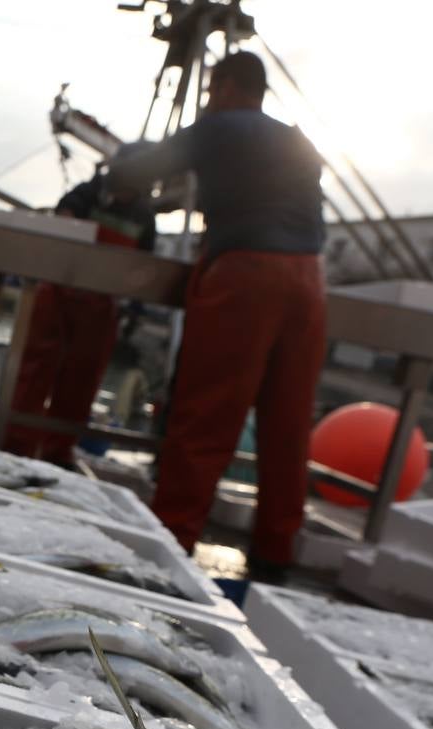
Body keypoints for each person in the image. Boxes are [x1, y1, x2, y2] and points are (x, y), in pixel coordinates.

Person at [109, 51, 326, 578]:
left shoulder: (218, 128)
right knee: (287, 426)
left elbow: (136, 171)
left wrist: (126, 154)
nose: (208, 98)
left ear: (227, 87)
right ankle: (275, 560)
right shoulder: (298, 139)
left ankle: (170, 548)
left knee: (205, 419)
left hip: (244, 275)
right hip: (309, 285)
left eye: (211, 89)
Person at [4, 155, 157, 466]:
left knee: (80, 384)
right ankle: (15, 446)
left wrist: (133, 303)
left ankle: (56, 452)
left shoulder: (144, 215)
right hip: (58, 295)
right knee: (34, 373)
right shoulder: (88, 193)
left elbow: (145, 266)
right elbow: (63, 221)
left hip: (101, 307)